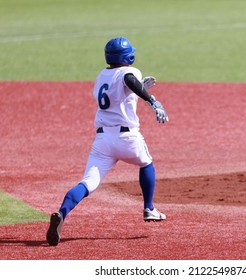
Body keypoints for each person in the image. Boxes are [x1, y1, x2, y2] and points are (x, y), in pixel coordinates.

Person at [46, 37, 168, 246]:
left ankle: (62, 213)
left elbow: (119, 92)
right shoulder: (131, 73)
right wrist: (151, 100)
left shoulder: (101, 76)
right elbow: (129, 80)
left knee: (88, 182)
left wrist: (140, 89)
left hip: (103, 140)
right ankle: (149, 208)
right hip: (128, 138)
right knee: (146, 162)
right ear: (129, 56)